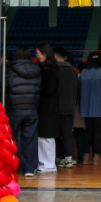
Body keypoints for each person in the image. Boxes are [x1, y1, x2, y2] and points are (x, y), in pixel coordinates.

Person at [5, 47, 42, 177]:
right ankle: (29, 169)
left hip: (14, 109)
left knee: (11, 139)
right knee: (30, 140)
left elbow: (6, 89)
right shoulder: (37, 70)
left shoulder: (10, 70)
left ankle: (10, 166)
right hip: (32, 109)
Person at [78, 52, 101, 164]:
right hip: (100, 107)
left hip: (86, 107)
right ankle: (97, 156)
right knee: (98, 132)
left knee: (88, 131)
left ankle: (86, 156)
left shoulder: (83, 73)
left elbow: (79, 90)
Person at [34, 42, 59, 173]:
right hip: (44, 107)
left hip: (48, 108)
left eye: (40, 53)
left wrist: (37, 87)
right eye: (37, 53)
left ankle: (49, 164)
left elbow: (49, 89)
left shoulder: (51, 70)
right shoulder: (44, 68)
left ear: (46, 54)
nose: (38, 56)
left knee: (47, 137)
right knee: (42, 137)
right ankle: (44, 163)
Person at [53, 46, 79, 168]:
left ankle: (59, 157)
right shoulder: (73, 72)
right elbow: (77, 90)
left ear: (55, 57)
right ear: (65, 57)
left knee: (56, 134)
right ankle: (68, 158)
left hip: (55, 107)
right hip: (69, 107)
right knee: (67, 134)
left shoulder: (53, 70)